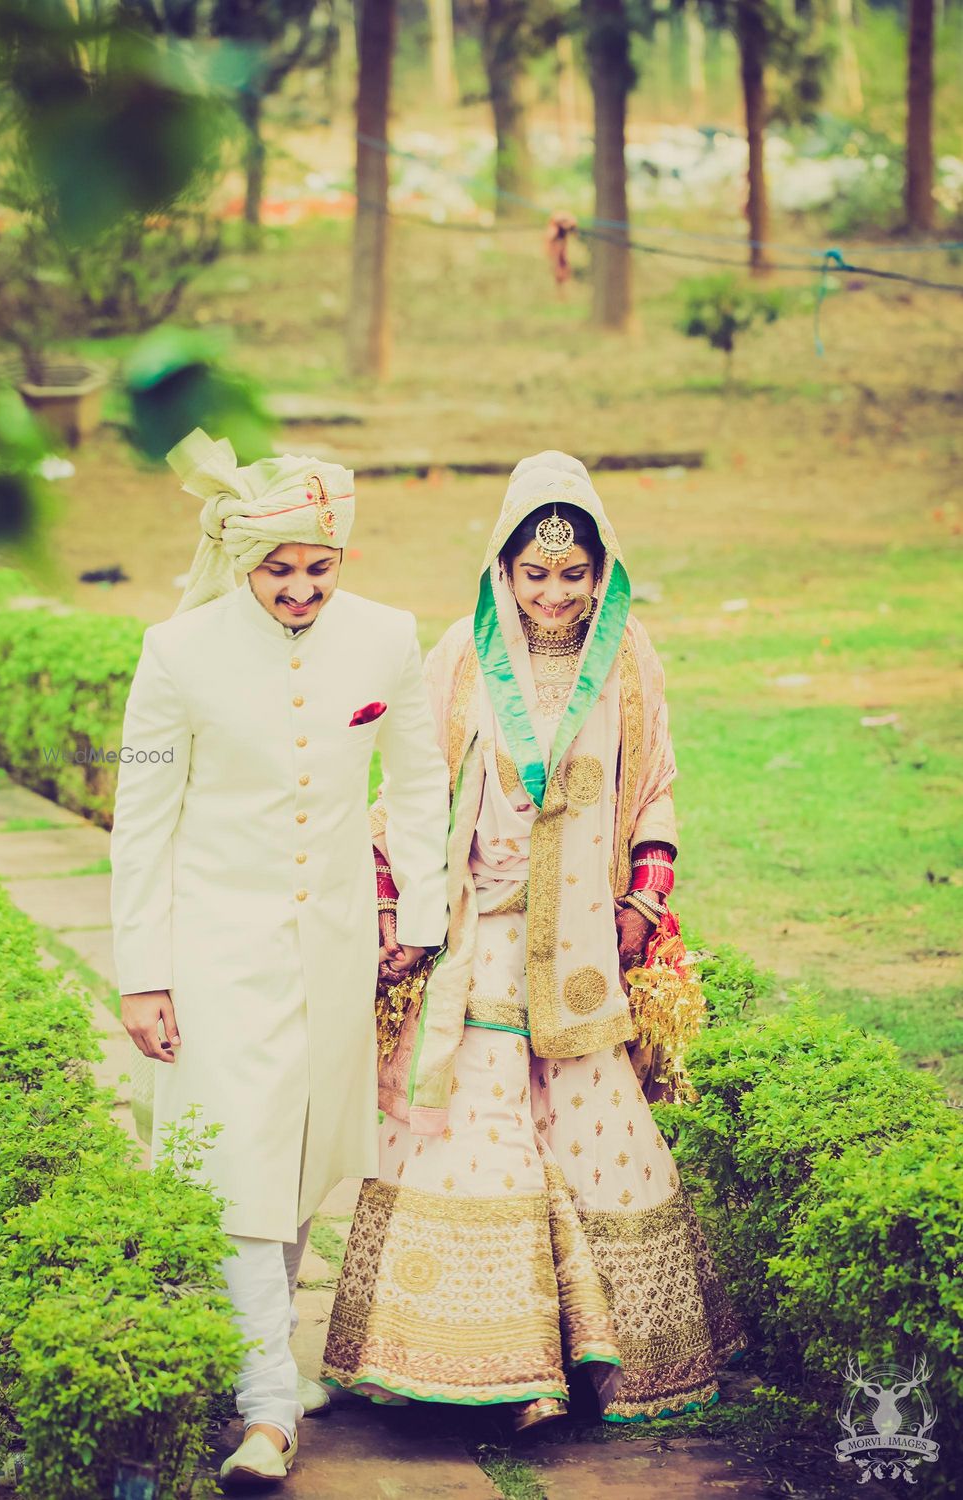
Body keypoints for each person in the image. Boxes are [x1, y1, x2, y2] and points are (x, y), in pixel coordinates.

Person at [322, 452, 745, 1429]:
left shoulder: (627, 657)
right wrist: (394, 910)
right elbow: (411, 795)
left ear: (602, 572)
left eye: (574, 573)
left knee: (600, 1135)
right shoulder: (460, 659)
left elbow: (656, 786)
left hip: (587, 949)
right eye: (535, 573)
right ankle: (491, 1363)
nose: (556, 593)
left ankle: (607, 1359)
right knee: (474, 1134)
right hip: (477, 945)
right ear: (503, 574)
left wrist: (646, 897)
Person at [110, 429, 449, 1486]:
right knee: (239, 1165)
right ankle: (267, 1407)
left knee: (300, 1164)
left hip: (341, 947)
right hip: (216, 950)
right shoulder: (177, 653)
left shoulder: (387, 638)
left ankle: (253, 1358)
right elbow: (142, 818)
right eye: (278, 569)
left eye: (319, 566)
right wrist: (142, 972)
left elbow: (420, 779)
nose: (300, 588)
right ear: (241, 560)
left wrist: (420, 914)